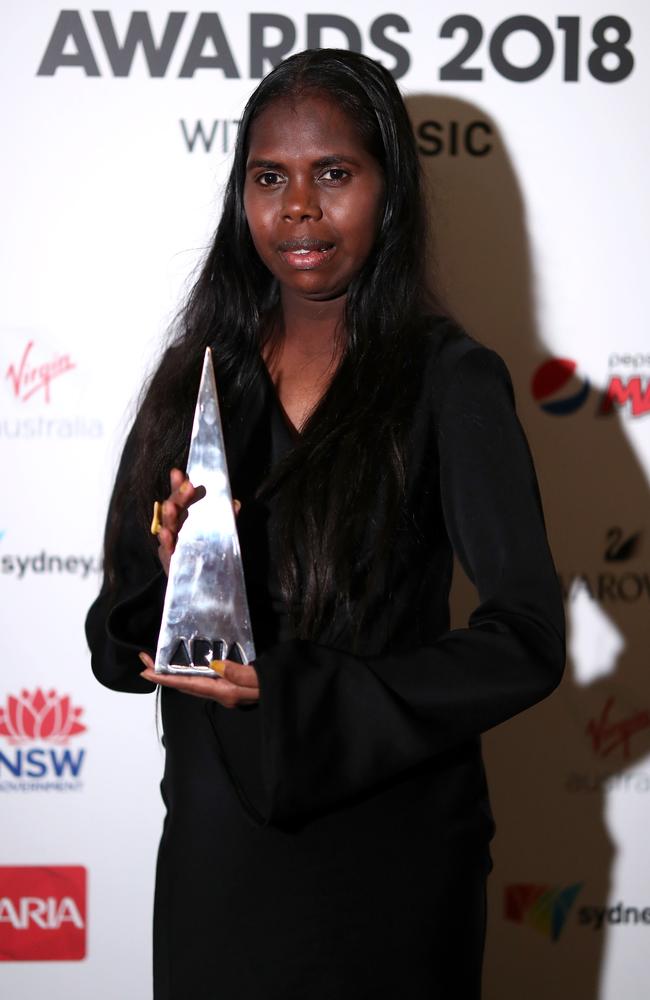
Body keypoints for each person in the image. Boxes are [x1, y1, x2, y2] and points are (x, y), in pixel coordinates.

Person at [86, 48, 565, 1000]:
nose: (298, 207)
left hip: (394, 857)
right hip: (223, 857)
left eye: (333, 174)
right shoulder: (197, 376)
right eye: (270, 178)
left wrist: (295, 695)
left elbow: (525, 643)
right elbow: (116, 646)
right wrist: (170, 568)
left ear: (390, 190)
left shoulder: (447, 377)